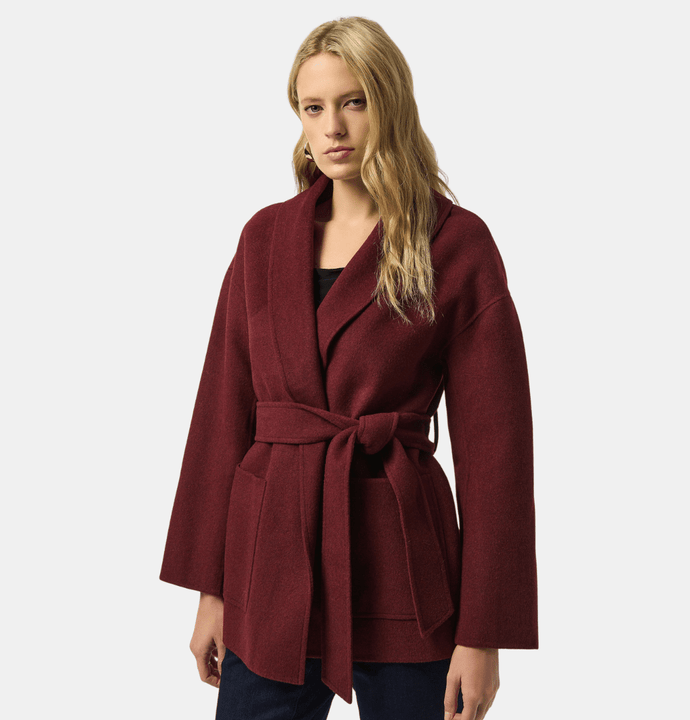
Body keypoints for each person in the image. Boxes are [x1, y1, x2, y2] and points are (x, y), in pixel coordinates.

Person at [160, 16, 538, 720]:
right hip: (272, 558)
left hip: (404, 567)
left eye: (354, 102)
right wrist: (213, 589)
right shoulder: (264, 238)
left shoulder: (454, 243)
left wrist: (483, 633)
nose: (333, 127)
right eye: (314, 108)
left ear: (390, 103)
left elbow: (497, 451)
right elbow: (222, 412)